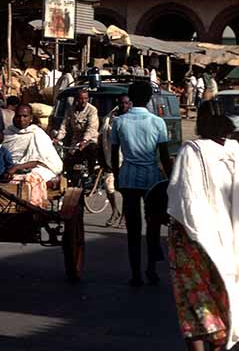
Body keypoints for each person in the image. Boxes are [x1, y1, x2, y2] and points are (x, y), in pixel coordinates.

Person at [165, 99, 239, 351]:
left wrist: (184, 233)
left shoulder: (192, 151)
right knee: (223, 293)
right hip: (230, 237)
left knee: (193, 300)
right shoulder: (235, 151)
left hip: (195, 240)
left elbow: (182, 198)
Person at [111, 81, 172, 287]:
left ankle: (135, 273)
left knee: (133, 228)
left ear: (131, 97)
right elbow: (164, 156)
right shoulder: (157, 122)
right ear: (149, 98)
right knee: (153, 226)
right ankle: (151, 269)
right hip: (152, 178)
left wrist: (118, 179)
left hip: (127, 176)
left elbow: (113, 155)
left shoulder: (119, 122)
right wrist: (172, 181)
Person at [0, 104, 64, 208]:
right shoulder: (6, 134)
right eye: (18, 116)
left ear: (31, 118)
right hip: (8, 169)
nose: (21, 119)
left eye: (25, 116)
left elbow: (40, 160)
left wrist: (17, 167)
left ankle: (33, 207)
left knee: (31, 179)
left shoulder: (38, 134)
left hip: (35, 168)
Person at [99, 94, 132, 227]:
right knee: (109, 187)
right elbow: (102, 137)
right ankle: (114, 211)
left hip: (125, 159)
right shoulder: (109, 118)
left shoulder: (131, 119)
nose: (124, 105)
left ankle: (124, 216)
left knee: (124, 190)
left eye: (126, 103)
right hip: (110, 159)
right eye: (121, 103)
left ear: (130, 104)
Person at [56, 87, 100, 176]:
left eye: (85, 98)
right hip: (76, 140)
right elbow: (64, 125)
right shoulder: (71, 110)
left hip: (90, 140)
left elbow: (91, 128)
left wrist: (84, 140)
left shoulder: (92, 110)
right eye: (81, 98)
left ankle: (91, 176)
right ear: (76, 99)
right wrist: (58, 137)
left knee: (91, 151)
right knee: (68, 160)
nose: (83, 101)